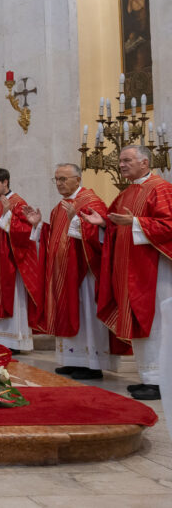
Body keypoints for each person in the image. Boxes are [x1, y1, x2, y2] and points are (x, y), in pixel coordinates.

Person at [90, 145, 172, 400]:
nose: (121, 165)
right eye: (121, 161)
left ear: (145, 163)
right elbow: (116, 223)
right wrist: (103, 223)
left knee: (155, 323)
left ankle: (161, 380)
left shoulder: (161, 188)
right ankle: (148, 377)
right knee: (139, 321)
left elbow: (168, 225)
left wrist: (135, 222)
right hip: (130, 271)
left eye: (127, 160)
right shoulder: (127, 193)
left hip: (153, 271)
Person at [23, 163, 113, 379]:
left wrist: (77, 220)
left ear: (78, 179)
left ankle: (91, 364)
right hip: (63, 273)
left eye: (63, 179)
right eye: (56, 179)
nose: (59, 183)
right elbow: (54, 236)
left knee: (85, 315)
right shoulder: (59, 208)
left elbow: (103, 233)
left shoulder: (91, 202)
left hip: (84, 273)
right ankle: (73, 359)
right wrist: (38, 226)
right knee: (66, 313)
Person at [0, 167, 42, 352]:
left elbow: (25, 232)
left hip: (9, 264)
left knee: (11, 299)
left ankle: (13, 343)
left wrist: (7, 214)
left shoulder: (17, 203)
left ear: (5, 182)